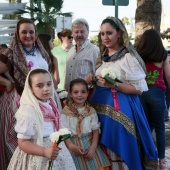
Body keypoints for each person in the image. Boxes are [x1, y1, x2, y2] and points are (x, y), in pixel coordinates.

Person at [86, 17, 158, 170]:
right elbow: (101, 81)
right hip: (100, 110)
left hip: (122, 109)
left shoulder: (128, 57)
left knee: (119, 143)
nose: (105, 37)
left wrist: (115, 84)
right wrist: (93, 80)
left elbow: (138, 89)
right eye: (102, 34)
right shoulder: (103, 57)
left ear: (119, 33)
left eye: (109, 33)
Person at [0, 18, 53, 169]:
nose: (28, 35)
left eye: (31, 32)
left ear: (36, 34)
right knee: (17, 139)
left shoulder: (41, 51)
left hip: (43, 100)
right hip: (19, 101)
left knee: (42, 137)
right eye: (24, 32)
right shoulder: (9, 54)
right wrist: (6, 82)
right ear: (17, 34)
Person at [7, 68, 76, 170]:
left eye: (49, 84)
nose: (46, 89)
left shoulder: (51, 103)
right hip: (37, 152)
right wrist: (44, 151)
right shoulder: (29, 110)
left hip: (55, 149)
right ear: (31, 88)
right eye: (40, 86)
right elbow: (22, 142)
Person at [136, 29, 170, 169]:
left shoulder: (138, 55)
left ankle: (145, 157)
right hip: (157, 93)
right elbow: (168, 77)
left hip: (142, 92)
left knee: (145, 127)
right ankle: (161, 160)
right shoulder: (163, 55)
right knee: (160, 127)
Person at [61, 78, 111, 170]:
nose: (79, 95)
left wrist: (93, 148)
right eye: (76, 92)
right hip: (72, 145)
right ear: (70, 94)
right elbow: (64, 132)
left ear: (88, 93)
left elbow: (96, 130)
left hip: (89, 144)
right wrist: (71, 147)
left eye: (83, 92)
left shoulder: (91, 111)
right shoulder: (65, 112)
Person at [64, 18, 99, 91]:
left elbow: (98, 76)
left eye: (82, 31)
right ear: (72, 34)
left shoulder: (94, 50)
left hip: (86, 96)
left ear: (88, 32)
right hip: (69, 95)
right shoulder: (71, 51)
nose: (79, 34)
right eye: (76, 32)